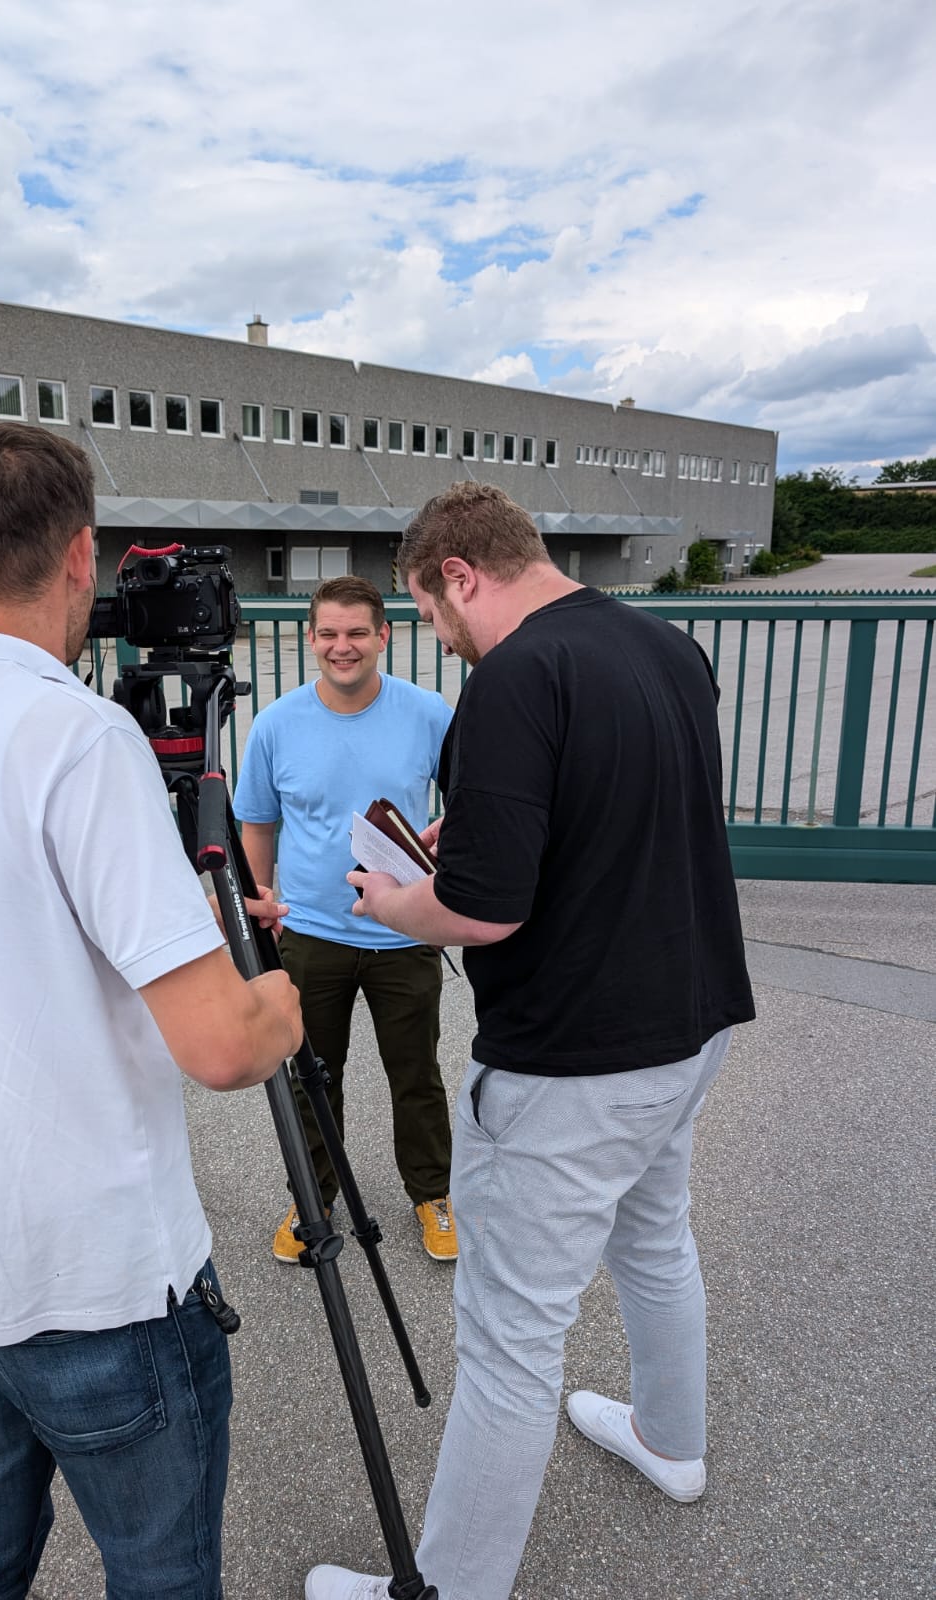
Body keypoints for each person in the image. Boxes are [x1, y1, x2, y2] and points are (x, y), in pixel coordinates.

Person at [0, 420, 303, 1600]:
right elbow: (219, 1044)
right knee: (158, 1573)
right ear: (81, 556)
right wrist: (282, 1002)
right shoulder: (77, 737)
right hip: (93, 1284)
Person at [306, 483, 755, 1600]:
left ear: (457, 573)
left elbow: (485, 913)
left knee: (508, 1342)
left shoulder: (510, 680)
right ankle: (670, 1439)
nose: (435, 635)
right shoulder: (664, 646)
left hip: (573, 1062)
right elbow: (609, 806)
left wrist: (397, 902)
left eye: (426, 610)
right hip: (688, 1023)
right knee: (655, 1239)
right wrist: (483, 832)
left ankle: (449, 1588)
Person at [233, 575, 458, 1263]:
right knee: (311, 1073)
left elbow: (476, 799)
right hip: (311, 931)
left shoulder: (429, 714)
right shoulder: (276, 724)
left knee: (414, 1071)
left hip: (405, 928)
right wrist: (260, 897)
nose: (343, 646)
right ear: (310, 639)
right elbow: (258, 822)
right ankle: (313, 1199)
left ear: (384, 635)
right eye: (328, 633)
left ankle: (433, 1194)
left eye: (358, 632)